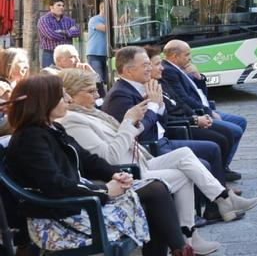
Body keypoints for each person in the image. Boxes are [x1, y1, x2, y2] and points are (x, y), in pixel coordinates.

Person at [57, 69, 257, 255]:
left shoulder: (91, 113)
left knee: (185, 153)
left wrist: (144, 114)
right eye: (90, 91)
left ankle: (222, 201)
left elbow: (130, 133)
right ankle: (190, 235)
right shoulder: (74, 119)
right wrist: (131, 119)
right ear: (71, 94)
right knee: (183, 173)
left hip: (140, 158)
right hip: (127, 168)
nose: (97, 96)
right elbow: (109, 156)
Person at [4, 75, 194, 256]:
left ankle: (180, 250)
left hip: (76, 204)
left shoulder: (52, 128)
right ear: (43, 101)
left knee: (156, 190)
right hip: (59, 218)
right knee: (154, 196)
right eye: (62, 96)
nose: (68, 99)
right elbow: (54, 184)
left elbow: (88, 160)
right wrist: (105, 190)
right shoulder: (30, 138)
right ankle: (182, 250)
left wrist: (116, 174)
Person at [101, 47, 228, 190]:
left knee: (212, 148)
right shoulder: (120, 95)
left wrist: (160, 106)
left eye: (149, 64)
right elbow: (137, 133)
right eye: (145, 65)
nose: (150, 69)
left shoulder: (142, 86)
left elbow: (162, 122)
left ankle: (221, 201)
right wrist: (154, 106)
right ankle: (219, 203)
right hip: (149, 148)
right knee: (203, 163)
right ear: (128, 70)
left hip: (162, 140)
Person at [162, 40, 247, 181]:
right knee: (233, 131)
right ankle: (221, 169)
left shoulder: (182, 69)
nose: (190, 58)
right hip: (198, 114)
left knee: (240, 122)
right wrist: (205, 114)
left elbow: (200, 93)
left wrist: (198, 77)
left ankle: (223, 166)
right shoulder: (170, 72)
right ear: (174, 57)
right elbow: (184, 100)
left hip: (206, 109)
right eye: (187, 54)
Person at [145, 46, 235, 180]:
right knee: (219, 140)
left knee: (227, 133)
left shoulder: (161, 81)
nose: (162, 67)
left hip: (188, 118)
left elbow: (180, 101)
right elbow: (164, 119)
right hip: (178, 128)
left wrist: (197, 116)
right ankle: (221, 186)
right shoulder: (152, 85)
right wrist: (195, 120)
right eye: (158, 64)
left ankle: (221, 178)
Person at [37, 0, 80, 68]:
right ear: (51, 7)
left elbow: (77, 32)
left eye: (63, 6)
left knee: (67, 76)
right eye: (58, 5)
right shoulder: (44, 20)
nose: (61, 7)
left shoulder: (69, 20)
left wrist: (62, 32)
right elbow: (51, 35)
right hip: (50, 53)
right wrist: (68, 33)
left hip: (67, 55)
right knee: (50, 77)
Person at [87, 2, 108, 85]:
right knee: (98, 79)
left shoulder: (110, 20)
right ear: (102, 8)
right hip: (94, 54)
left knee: (107, 79)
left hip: (106, 53)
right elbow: (105, 28)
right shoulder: (94, 19)